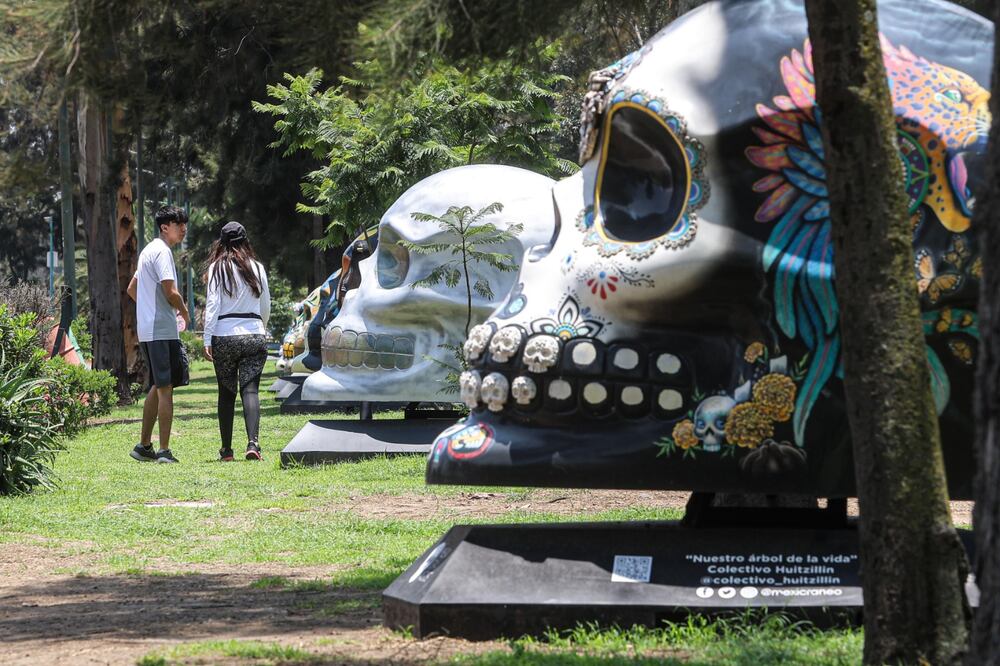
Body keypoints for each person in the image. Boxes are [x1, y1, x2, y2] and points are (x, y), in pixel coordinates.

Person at [127, 205, 190, 464]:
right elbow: (171, 292)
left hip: (150, 327)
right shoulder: (162, 252)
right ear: (165, 227)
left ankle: (143, 447)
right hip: (161, 328)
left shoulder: (147, 251)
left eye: (184, 224)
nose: (184, 229)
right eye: (179, 224)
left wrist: (147, 309)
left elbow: (132, 288)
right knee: (165, 389)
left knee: (158, 384)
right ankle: (164, 450)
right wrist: (185, 314)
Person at [202, 221, 271, 461]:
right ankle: (253, 444)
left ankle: (226, 450)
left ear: (221, 242)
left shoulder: (216, 268)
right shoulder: (258, 268)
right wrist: (261, 328)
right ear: (245, 241)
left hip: (224, 335)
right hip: (253, 333)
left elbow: (212, 306)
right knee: (250, 389)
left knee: (226, 392)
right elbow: (265, 305)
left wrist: (207, 336)